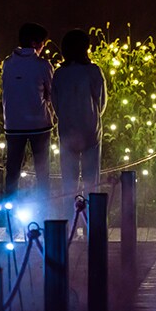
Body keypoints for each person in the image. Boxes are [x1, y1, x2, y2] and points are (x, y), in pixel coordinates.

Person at [52, 29, 107, 207]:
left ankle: (70, 219)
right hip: (90, 129)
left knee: (69, 182)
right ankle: (92, 219)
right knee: (92, 180)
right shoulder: (93, 71)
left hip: (67, 130)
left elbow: (55, 103)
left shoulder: (59, 74)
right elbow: (101, 101)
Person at [2, 22, 54, 200]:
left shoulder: (7, 64)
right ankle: (44, 206)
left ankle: (9, 209)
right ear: (35, 43)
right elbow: (51, 93)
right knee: (42, 172)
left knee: (12, 171)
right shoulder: (43, 65)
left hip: (13, 125)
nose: (43, 47)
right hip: (39, 125)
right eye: (43, 43)